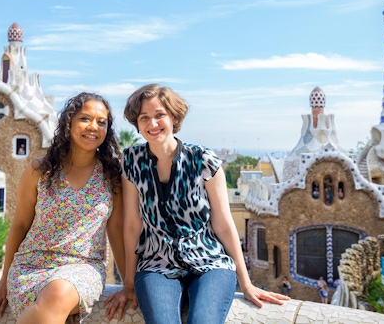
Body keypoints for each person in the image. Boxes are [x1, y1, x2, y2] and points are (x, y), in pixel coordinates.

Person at [109, 84, 289, 324]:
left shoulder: (202, 160)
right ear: (137, 123)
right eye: (144, 118)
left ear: (173, 117)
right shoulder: (132, 161)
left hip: (209, 262)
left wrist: (246, 284)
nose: (152, 124)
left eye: (159, 115)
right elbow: (132, 225)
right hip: (156, 264)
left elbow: (224, 224)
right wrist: (128, 283)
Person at [0, 92, 126, 324]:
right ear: (69, 123)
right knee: (53, 298)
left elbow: (117, 229)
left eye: (102, 122)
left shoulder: (112, 177)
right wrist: (4, 280)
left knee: (58, 293)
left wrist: (128, 285)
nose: (94, 127)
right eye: (85, 118)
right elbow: (19, 225)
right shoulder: (40, 170)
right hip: (31, 266)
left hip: (82, 267)